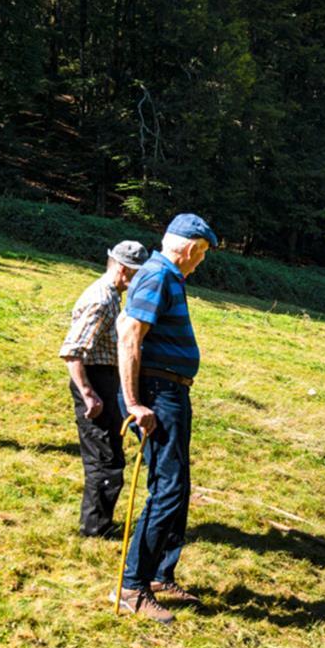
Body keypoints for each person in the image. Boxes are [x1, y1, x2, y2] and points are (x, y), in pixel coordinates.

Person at [112, 213, 217, 624]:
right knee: (168, 488)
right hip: (157, 395)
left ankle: (159, 575)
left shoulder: (170, 276)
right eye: (203, 253)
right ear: (190, 247)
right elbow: (129, 336)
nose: (201, 261)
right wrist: (134, 402)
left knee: (178, 485)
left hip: (172, 391)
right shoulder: (158, 274)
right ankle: (132, 586)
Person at [59, 240, 149, 538]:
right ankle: (96, 528)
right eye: (138, 274)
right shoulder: (101, 299)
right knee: (105, 457)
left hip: (103, 380)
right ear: (124, 270)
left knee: (109, 454)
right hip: (93, 383)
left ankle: (98, 522)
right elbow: (72, 350)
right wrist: (87, 392)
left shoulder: (111, 295)